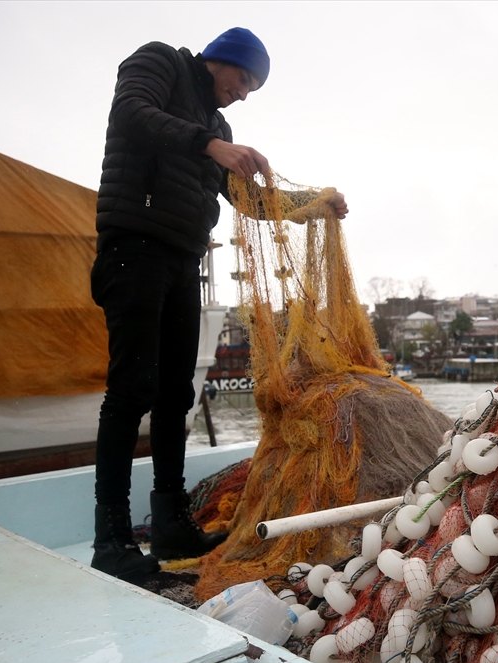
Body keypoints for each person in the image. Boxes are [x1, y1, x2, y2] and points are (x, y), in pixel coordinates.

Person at [89, 27, 347, 580]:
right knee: (131, 388)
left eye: (254, 86)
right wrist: (210, 145)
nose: (245, 92)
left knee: (176, 393)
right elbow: (133, 113)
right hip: (132, 248)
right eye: (245, 78)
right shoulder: (159, 63)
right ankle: (109, 540)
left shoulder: (219, 127)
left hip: (183, 261)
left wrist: (314, 203)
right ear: (221, 60)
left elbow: (248, 199)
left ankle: (170, 522)